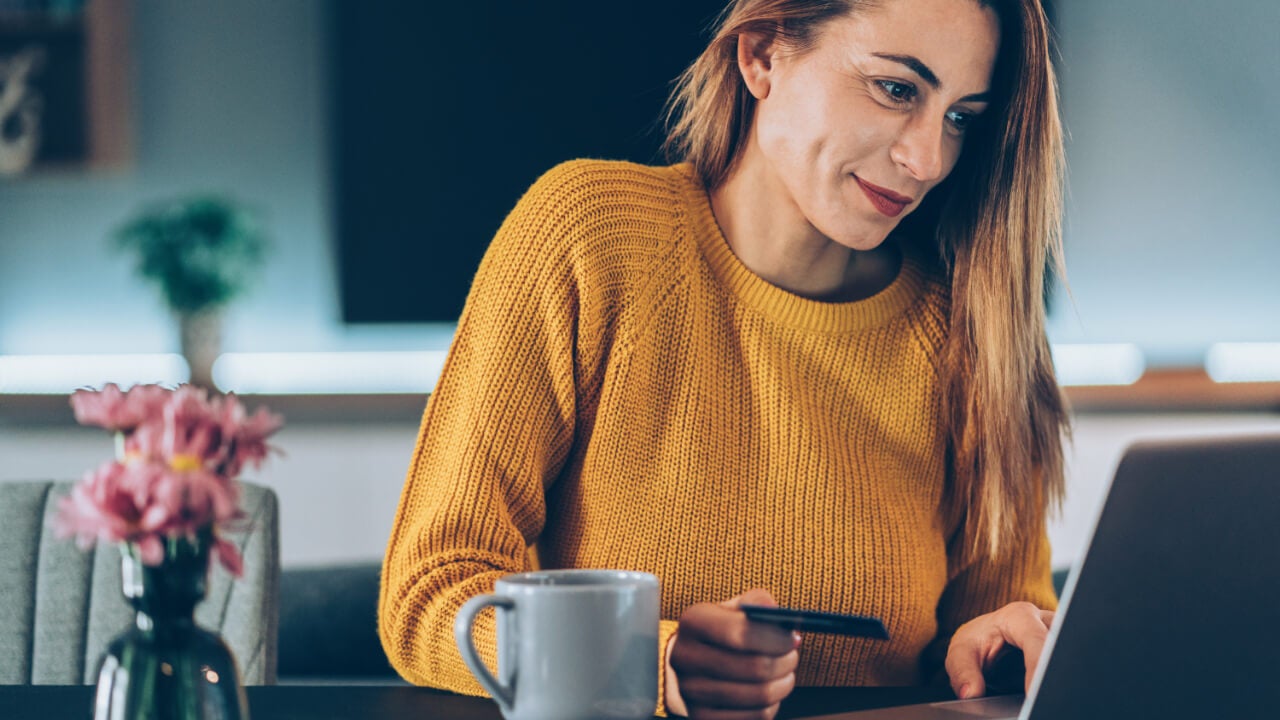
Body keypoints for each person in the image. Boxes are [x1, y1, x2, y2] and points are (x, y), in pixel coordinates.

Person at [378, 0, 1069, 717]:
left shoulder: (975, 332)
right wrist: (650, 666)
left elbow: (1002, 636)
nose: (928, 159)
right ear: (763, 53)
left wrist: (994, 648)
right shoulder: (590, 240)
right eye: (896, 89)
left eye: (961, 118)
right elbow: (432, 590)